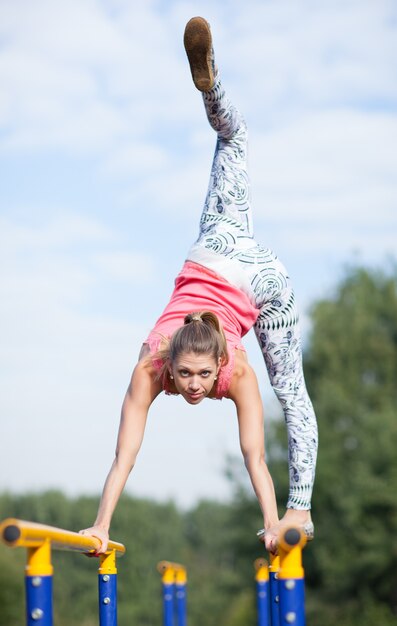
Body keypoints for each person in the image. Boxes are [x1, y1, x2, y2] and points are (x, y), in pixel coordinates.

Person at [80, 17, 318, 555]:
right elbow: (126, 455)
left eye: (199, 376)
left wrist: (275, 521)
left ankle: (302, 503)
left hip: (247, 269)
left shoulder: (229, 371)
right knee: (235, 135)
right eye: (187, 376)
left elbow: (254, 457)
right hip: (225, 252)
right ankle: (215, 91)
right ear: (172, 365)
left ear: (219, 366)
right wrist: (101, 524)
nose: (191, 386)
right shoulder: (153, 368)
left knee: (291, 393)